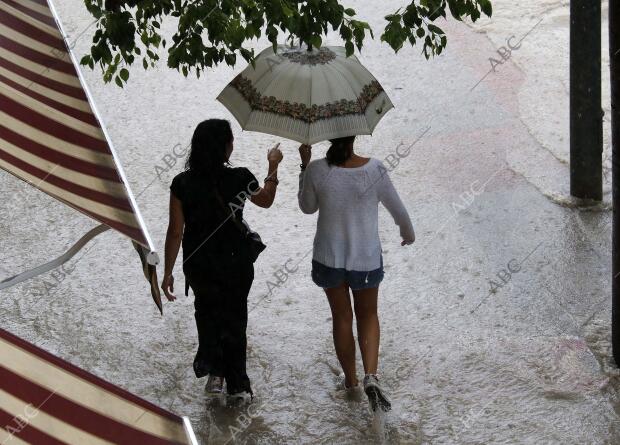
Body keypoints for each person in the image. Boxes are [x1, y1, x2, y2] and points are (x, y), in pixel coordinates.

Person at [162, 119, 283, 400]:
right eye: (230, 140)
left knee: (206, 314)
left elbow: (175, 232)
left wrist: (168, 272)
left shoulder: (182, 183)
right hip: (235, 262)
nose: (233, 145)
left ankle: (215, 376)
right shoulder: (240, 177)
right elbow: (265, 200)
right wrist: (273, 166)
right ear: (224, 147)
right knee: (235, 318)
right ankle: (238, 385)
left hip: (199, 264)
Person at [297, 136, 415, 412]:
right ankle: (371, 376)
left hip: (328, 259)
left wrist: (303, 167)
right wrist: (407, 234)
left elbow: (307, 207)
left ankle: (350, 384)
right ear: (354, 135)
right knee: (368, 315)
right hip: (366, 259)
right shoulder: (374, 169)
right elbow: (397, 208)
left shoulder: (316, 169)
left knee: (341, 317)